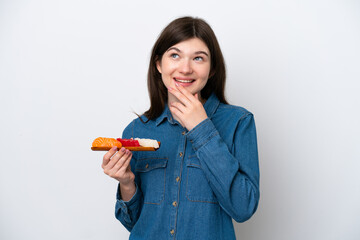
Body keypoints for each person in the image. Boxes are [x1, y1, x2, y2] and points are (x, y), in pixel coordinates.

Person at [101, 16, 260, 240]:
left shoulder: (238, 122)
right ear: (159, 64)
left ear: (212, 68)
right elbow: (135, 223)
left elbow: (244, 208)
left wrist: (202, 128)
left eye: (198, 58)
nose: (185, 69)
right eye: (175, 55)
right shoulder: (137, 131)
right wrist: (126, 184)